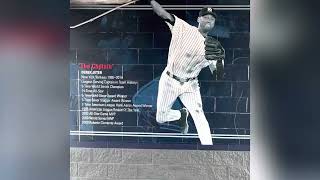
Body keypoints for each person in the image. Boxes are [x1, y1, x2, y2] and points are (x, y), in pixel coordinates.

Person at [149, 0, 225, 145]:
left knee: (199, 116)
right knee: (161, 117)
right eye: (205, 16)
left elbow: (218, 75)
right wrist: (150, 0)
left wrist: (220, 59)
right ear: (198, 19)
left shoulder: (214, 46)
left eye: (212, 18)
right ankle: (180, 114)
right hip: (170, 80)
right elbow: (161, 13)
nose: (209, 19)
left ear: (214, 23)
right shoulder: (183, 28)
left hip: (190, 84)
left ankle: (208, 149)